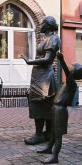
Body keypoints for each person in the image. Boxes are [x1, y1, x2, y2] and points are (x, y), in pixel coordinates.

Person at [37, 52, 82, 164]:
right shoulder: (67, 82)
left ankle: (55, 156)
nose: (70, 67)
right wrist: (49, 97)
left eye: (72, 67)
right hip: (55, 108)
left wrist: (62, 60)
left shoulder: (71, 82)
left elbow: (67, 72)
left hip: (61, 110)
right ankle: (49, 148)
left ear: (73, 72)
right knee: (53, 132)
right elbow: (59, 94)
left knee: (58, 134)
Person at [21, 16, 61, 145]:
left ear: (48, 25)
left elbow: (48, 59)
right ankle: (48, 133)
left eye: (43, 23)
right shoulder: (47, 38)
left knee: (39, 104)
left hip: (44, 77)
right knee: (45, 104)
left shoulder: (53, 38)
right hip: (40, 75)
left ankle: (39, 134)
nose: (41, 25)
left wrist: (29, 61)